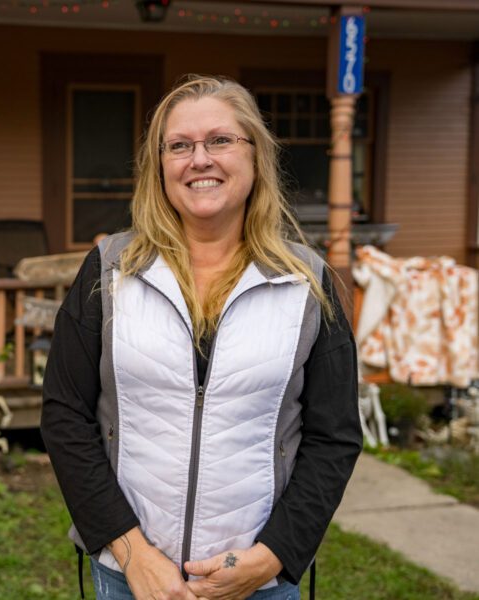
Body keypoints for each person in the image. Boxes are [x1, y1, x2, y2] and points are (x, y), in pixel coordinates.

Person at [40, 74, 362, 600]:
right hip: (130, 579)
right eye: (179, 146)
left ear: (255, 156)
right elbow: (63, 413)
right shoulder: (110, 270)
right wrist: (131, 553)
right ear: (159, 167)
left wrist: (273, 556)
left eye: (219, 140)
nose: (199, 159)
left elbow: (335, 436)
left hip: (256, 581)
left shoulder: (308, 283)